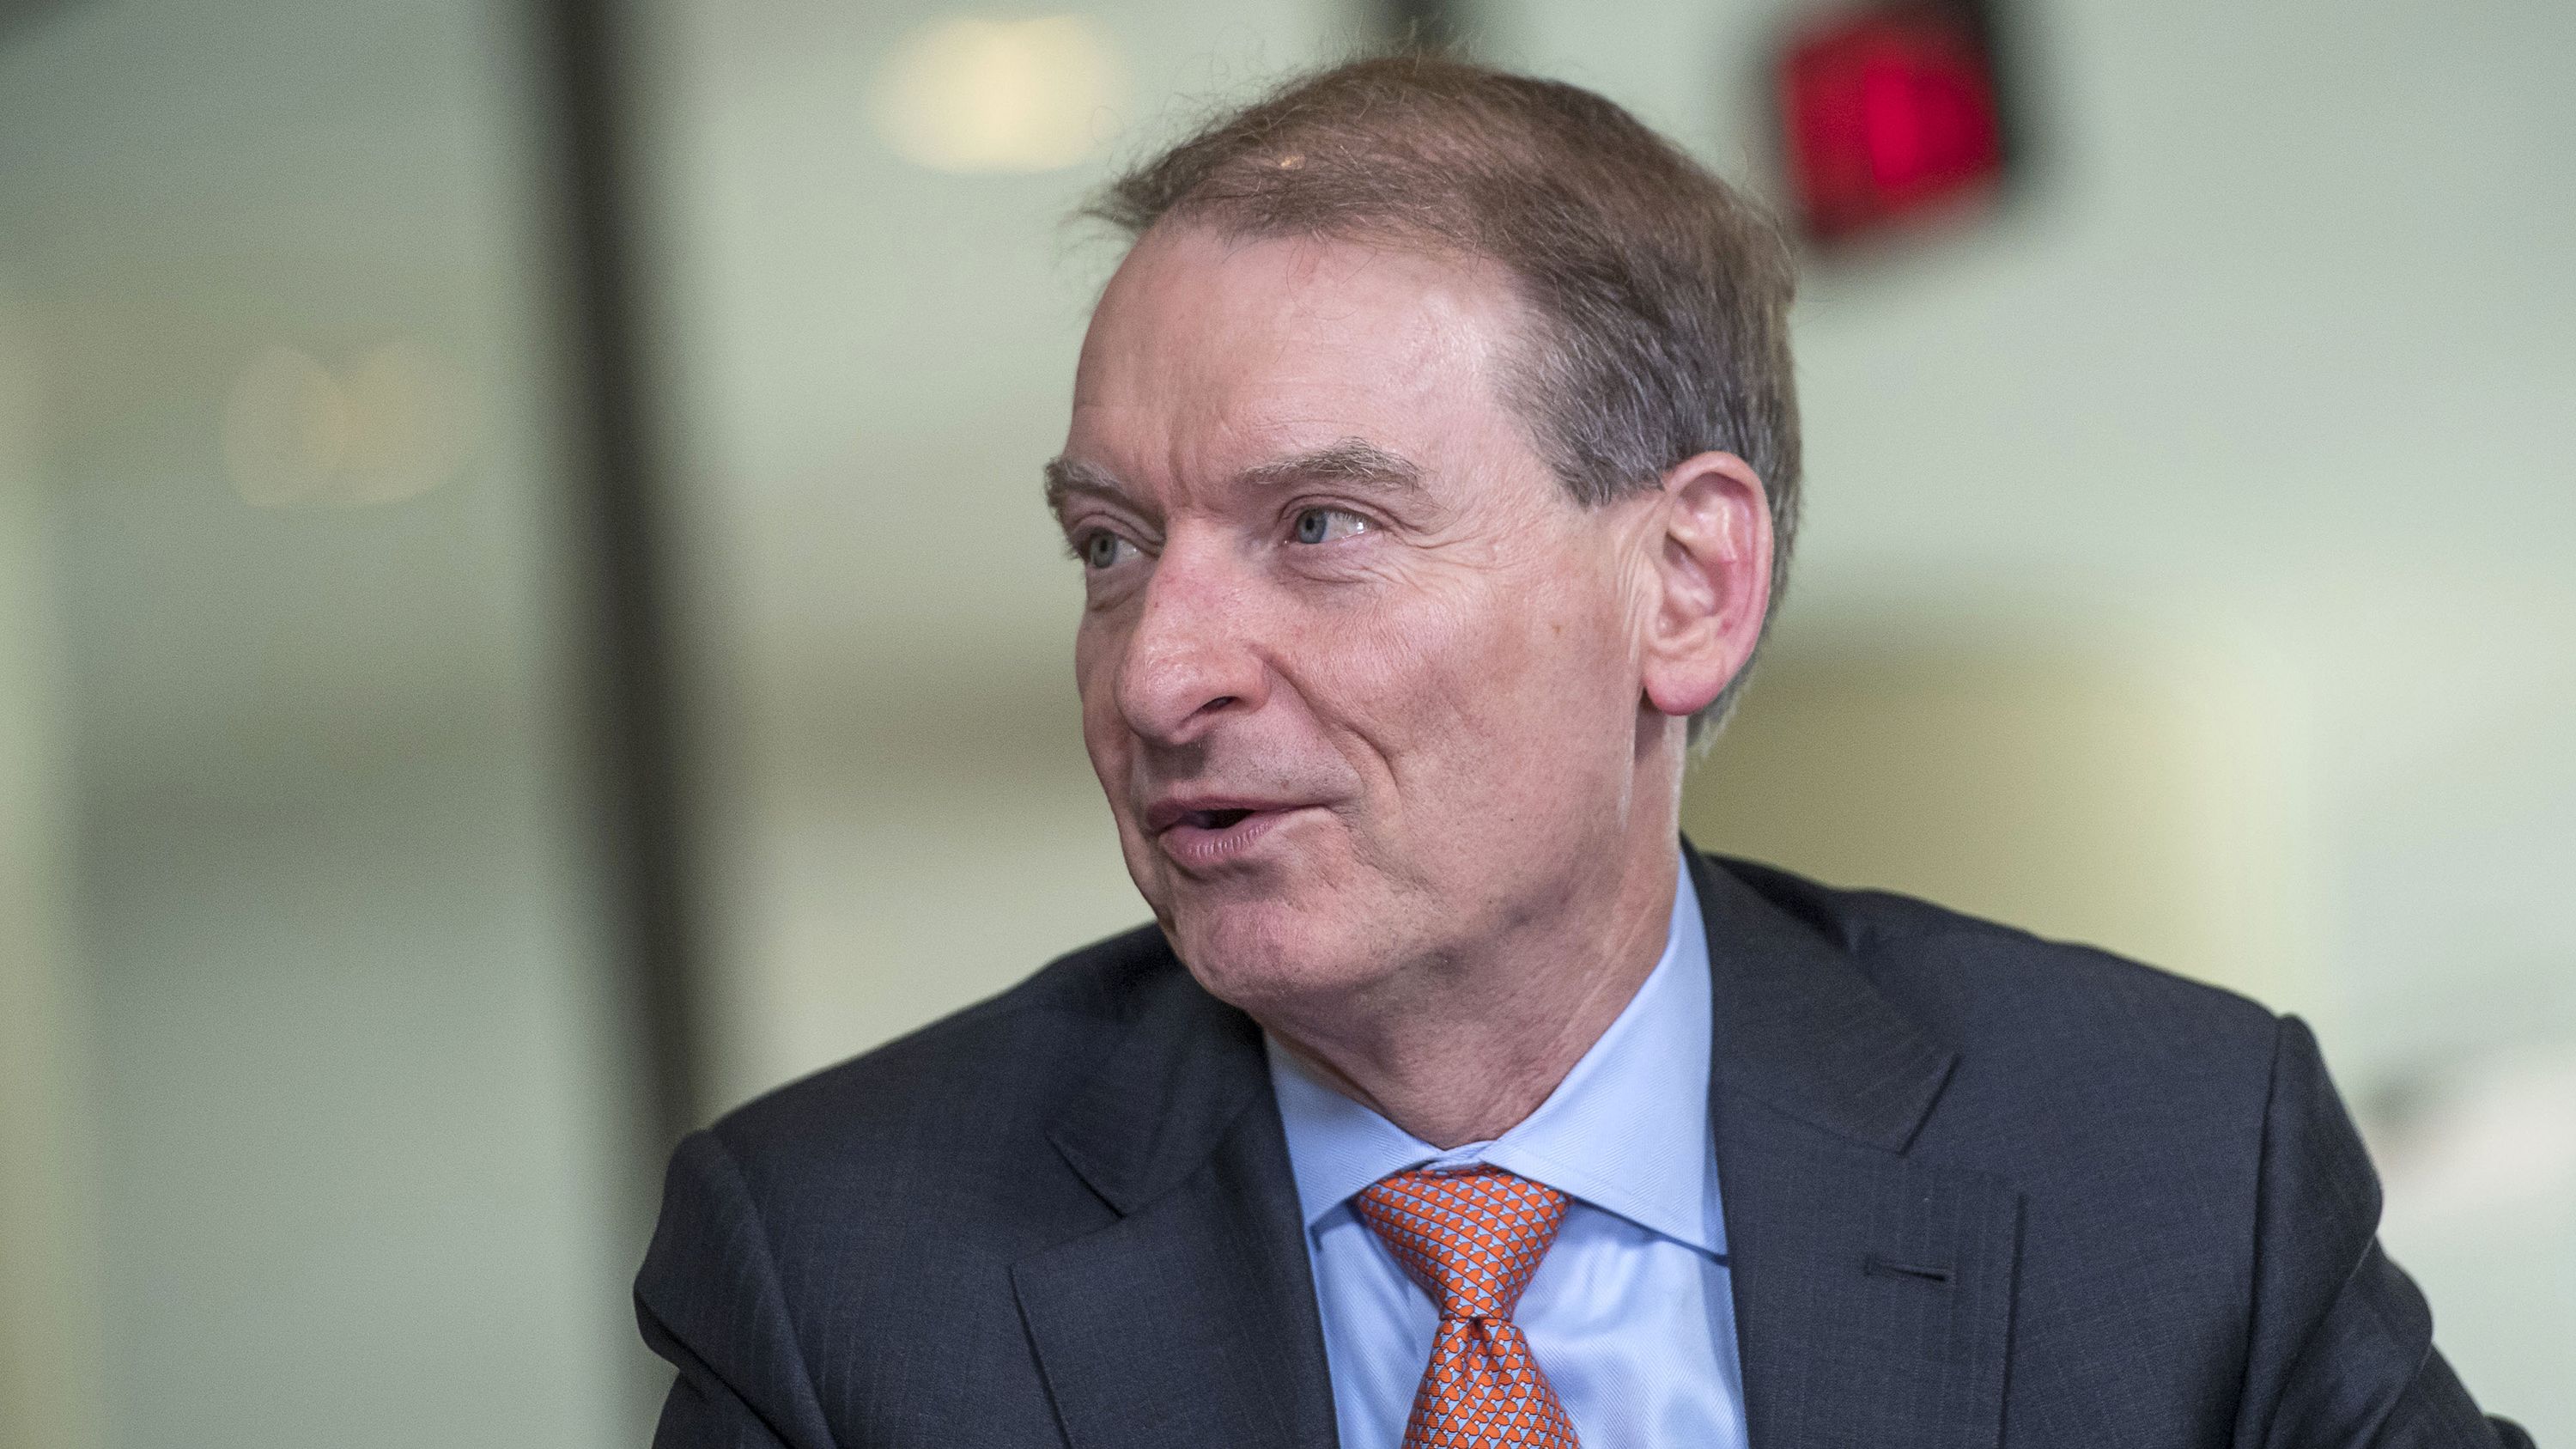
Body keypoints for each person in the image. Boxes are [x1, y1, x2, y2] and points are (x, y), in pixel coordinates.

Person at [635, 54, 2529, 1449]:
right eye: (1111, 549)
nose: (1157, 675)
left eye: (1321, 526)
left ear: (1687, 584)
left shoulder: (2169, 1166)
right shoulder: (844, 1280)